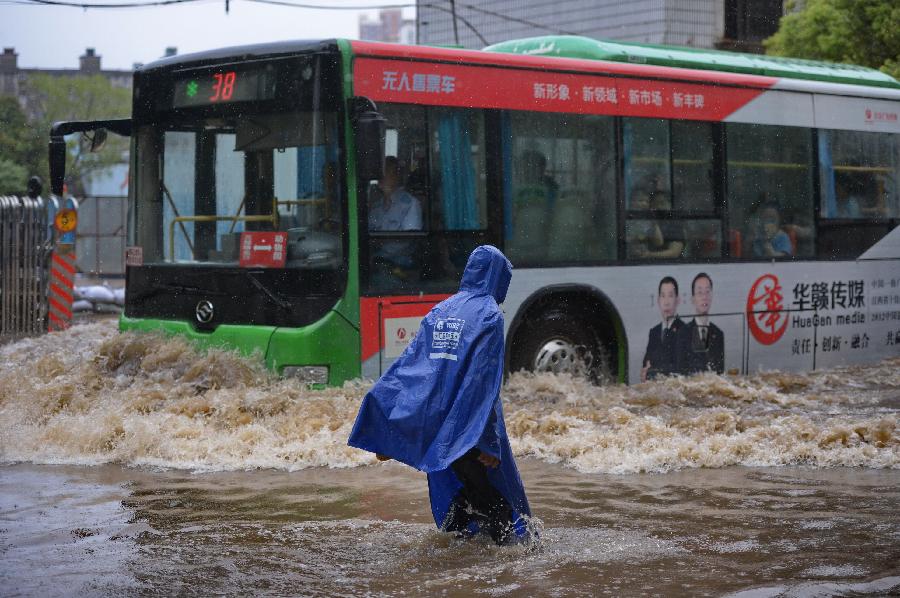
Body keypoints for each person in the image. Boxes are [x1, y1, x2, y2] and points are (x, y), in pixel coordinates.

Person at [348, 245, 532, 545]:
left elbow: (412, 367)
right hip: (464, 426)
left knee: (466, 492)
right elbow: (482, 384)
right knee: (498, 508)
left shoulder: (441, 309)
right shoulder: (489, 316)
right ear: (498, 277)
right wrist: (488, 441)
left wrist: (389, 425)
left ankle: (451, 552)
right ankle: (503, 569)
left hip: (437, 423)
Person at [676, 273, 724, 375]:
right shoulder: (683, 333)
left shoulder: (718, 333)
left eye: (707, 292)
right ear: (693, 299)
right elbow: (679, 372)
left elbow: (720, 372)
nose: (704, 297)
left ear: (711, 297)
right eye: (700, 292)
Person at [641, 276, 684, 381]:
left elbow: (680, 368)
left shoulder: (684, 330)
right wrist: (645, 370)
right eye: (663, 296)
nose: (666, 302)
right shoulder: (654, 331)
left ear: (677, 300)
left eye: (670, 296)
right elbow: (646, 361)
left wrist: (652, 372)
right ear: (658, 300)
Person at [368, 156, 423, 232]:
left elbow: (410, 239)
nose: (380, 178)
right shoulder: (376, 207)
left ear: (396, 177)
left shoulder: (410, 205)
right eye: (379, 174)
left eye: (386, 173)